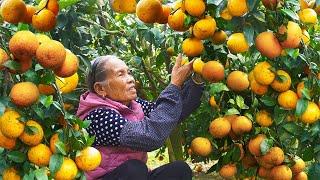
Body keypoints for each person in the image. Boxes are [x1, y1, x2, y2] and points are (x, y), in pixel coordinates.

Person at [76, 54, 204, 180]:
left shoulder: (134, 105)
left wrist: (197, 79)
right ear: (100, 88)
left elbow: (170, 113)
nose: (131, 79)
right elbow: (150, 136)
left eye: (129, 72)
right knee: (134, 169)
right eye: (120, 74)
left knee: (179, 170)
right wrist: (174, 85)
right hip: (112, 176)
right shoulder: (97, 116)